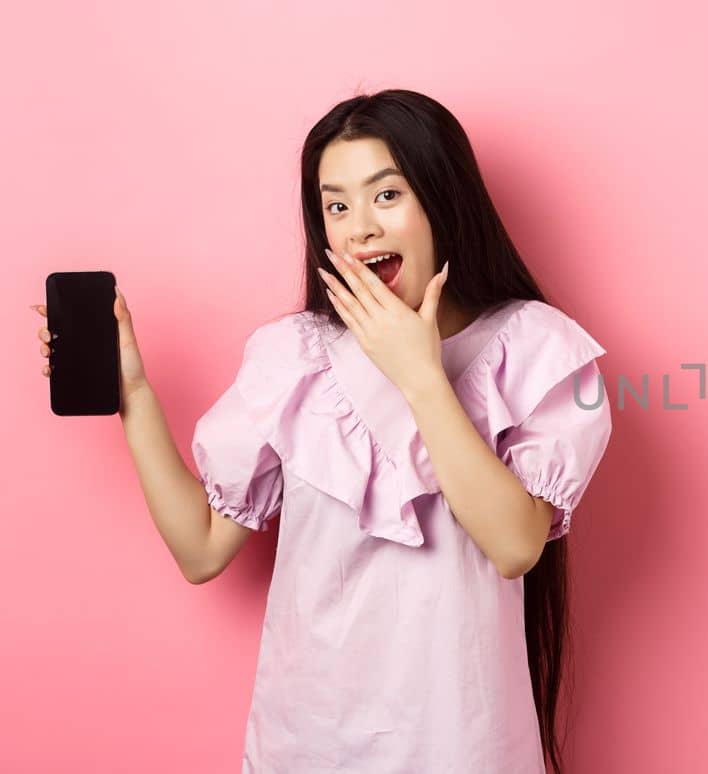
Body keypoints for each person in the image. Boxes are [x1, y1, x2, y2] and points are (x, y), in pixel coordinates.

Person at [30, 89, 611, 774]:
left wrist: (419, 374)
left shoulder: (538, 348)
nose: (359, 227)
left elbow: (515, 545)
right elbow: (202, 551)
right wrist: (132, 390)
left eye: (386, 195)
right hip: (307, 745)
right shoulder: (294, 356)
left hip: (463, 746)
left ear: (444, 201)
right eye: (336, 205)